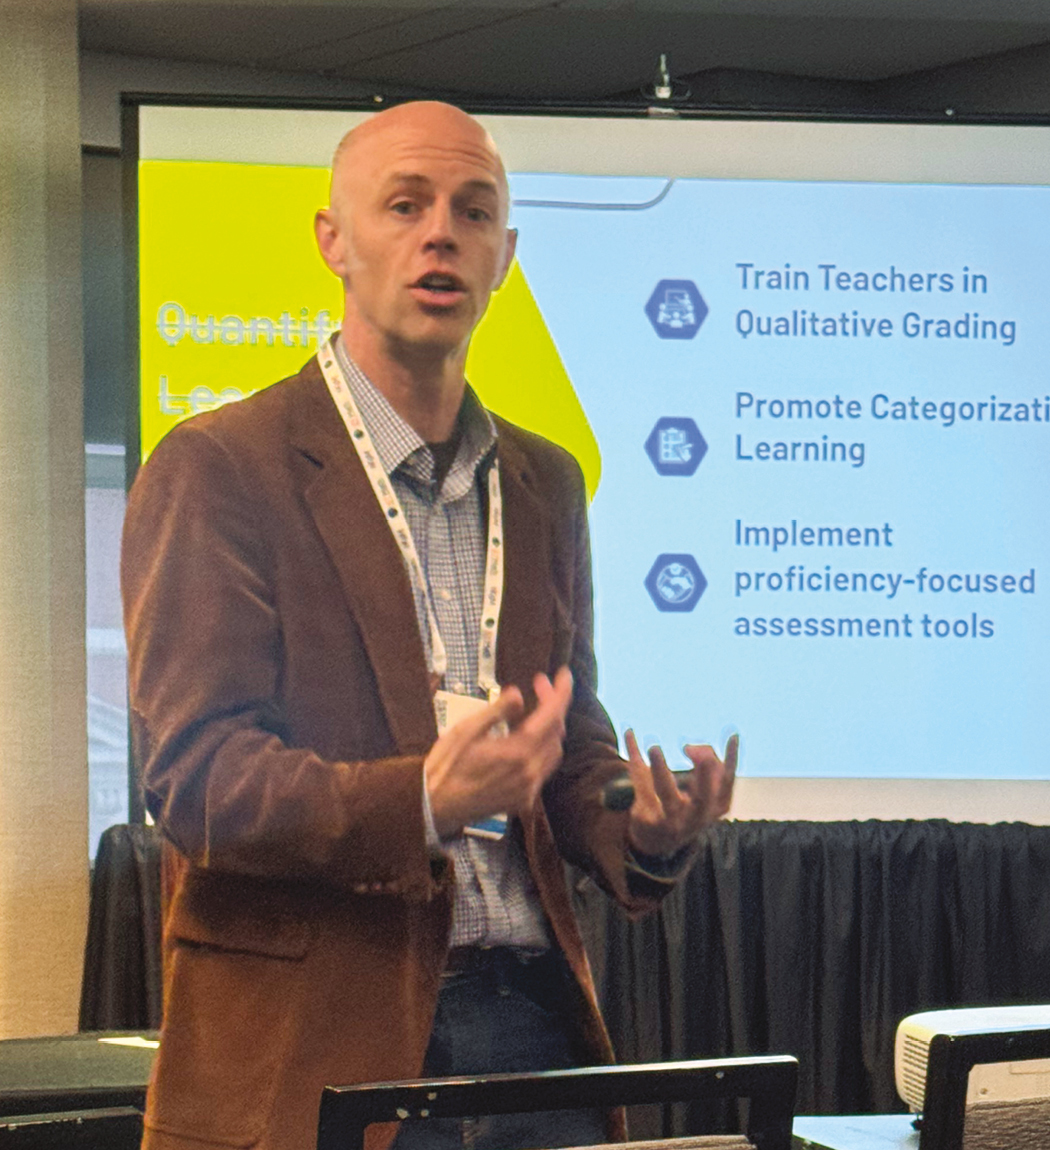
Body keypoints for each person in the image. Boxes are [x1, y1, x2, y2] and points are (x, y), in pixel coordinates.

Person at [122, 101, 738, 1150]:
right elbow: (197, 780)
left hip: (534, 1022)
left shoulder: (546, 480)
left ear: (506, 256)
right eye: (405, 206)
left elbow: (568, 744)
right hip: (322, 1038)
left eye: (473, 210)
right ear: (334, 241)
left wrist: (639, 823)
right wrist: (421, 797)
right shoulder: (221, 466)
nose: (440, 233)